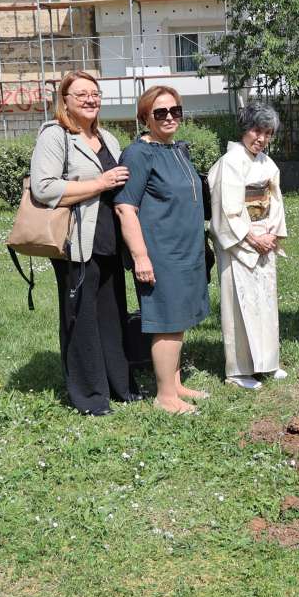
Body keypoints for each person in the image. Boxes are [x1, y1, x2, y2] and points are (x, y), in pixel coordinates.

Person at [29, 70, 139, 416]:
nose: (91, 99)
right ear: (65, 101)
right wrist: (100, 183)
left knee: (112, 316)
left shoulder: (108, 138)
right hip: (75, 242)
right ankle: (90, 397)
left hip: (109, 240)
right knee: (82, 319)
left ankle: (120, 386)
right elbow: (43, 188)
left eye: (95, 93)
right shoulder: (55, 135)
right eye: (82, 94)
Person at [115, 86, 210, 414]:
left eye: (175, 111)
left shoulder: (176, 149)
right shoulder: (139, 154)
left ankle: (175, 384)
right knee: (167, 322)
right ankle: (165, 397)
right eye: (160, 112)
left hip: (186, 252)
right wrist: (141, 256)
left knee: (178, 319)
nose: (169, 117)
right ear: (145, 117)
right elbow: (125, 208)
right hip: (161, 255)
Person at [208, 103, 289, 390]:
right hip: (240, 241)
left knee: (264, 302)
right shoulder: (230, 162)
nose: (262, 138)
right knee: (239, 305)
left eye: (267, 133)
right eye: (257, 131)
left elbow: (275, 201)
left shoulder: (267, 164)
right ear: (245, 129)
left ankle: (267, 362)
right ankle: (239, 370)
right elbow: (226, 210)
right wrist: (251, 238)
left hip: (264, 235)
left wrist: (272, 234)